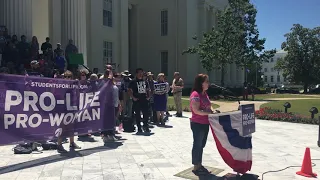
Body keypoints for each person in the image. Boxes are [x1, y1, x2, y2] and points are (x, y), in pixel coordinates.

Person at [189, 74, 214, 176]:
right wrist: (209, 113)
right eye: (206, 81)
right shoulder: (195, 95)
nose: (208, 83)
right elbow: (196, 110)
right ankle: (196, 166)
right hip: (197, 123)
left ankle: (199, 164)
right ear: (201, 83)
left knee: (202, 145)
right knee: (197, 144)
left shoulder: (205, 94)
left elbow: (208, 107)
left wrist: (213, 111)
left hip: (205, 123)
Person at [56, 70, 81, 153]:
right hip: (63, 109)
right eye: (66, 76)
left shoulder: (74, 86)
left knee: (71, 127)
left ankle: (72, 142)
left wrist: (77, 86)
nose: (68, 78)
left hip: (72, 108)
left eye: (69, 77)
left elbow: (78, 95)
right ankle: (59, 145)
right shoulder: (61, 86)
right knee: (62, 127)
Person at [128, 68, 151, 133]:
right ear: (136, 73)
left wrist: (148, 97)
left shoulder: (145, 81)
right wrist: (133, 97)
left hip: (144, 99)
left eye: (142, 72)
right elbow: (129, 90)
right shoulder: (133, 81)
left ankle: (145, 126)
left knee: (145, 114)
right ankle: (139, 127)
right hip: (137, 100)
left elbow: (148, 89)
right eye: (139, 72)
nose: (141, 74)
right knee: (137, 114)